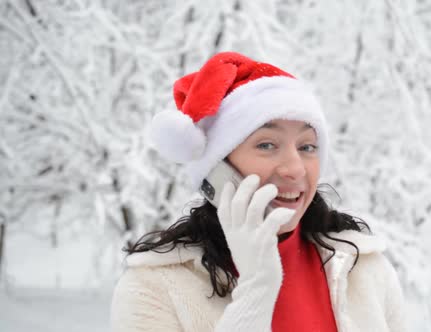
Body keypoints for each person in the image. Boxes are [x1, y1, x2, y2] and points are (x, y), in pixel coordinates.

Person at [110, 52, 406, 332]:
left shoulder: (363, 267)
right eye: (267, 145)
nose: (295, 169)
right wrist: (256, 288)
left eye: (307, 147)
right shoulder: (154, 286)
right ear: (217, 169)